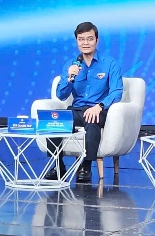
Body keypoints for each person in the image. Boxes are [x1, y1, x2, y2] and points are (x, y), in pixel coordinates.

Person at [44, 22, 123, 183]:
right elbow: (61, 95)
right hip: (77, 109)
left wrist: (100, 106)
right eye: (81, 39)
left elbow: (117, 91)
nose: (85, 43)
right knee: (56, 120)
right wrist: (69, 78)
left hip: (99, 109)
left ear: (97, 40)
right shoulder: (70, 64)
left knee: (91, 121)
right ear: (77, 41)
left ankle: (85, 166)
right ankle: (58, 165)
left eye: (89, 39)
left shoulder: (110, 63)